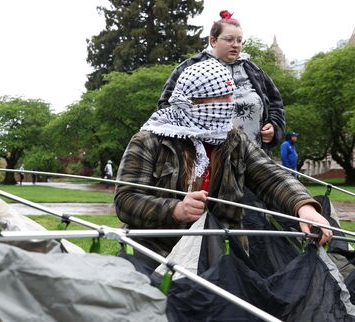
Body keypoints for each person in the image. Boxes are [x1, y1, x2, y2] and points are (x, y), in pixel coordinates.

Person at [115, 58, 331, 260]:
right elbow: (126, 200)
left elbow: (271, 177)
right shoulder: (149, 140)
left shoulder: (233, 139)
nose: (230, 103)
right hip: (159, 254)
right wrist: (176, 210)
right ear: (194, 101)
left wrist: (304, 208)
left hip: (225, 259)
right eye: (222, 97)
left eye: (231, 95)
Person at [158, 10, 285, 155]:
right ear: (213, 40)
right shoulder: (190, 68)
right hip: (207, 159)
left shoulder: (254, 71)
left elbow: (276, 104)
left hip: (254, 157)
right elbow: (167, 105)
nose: (235, 45)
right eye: (229, 39)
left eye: (239, 40)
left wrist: (274, 127)